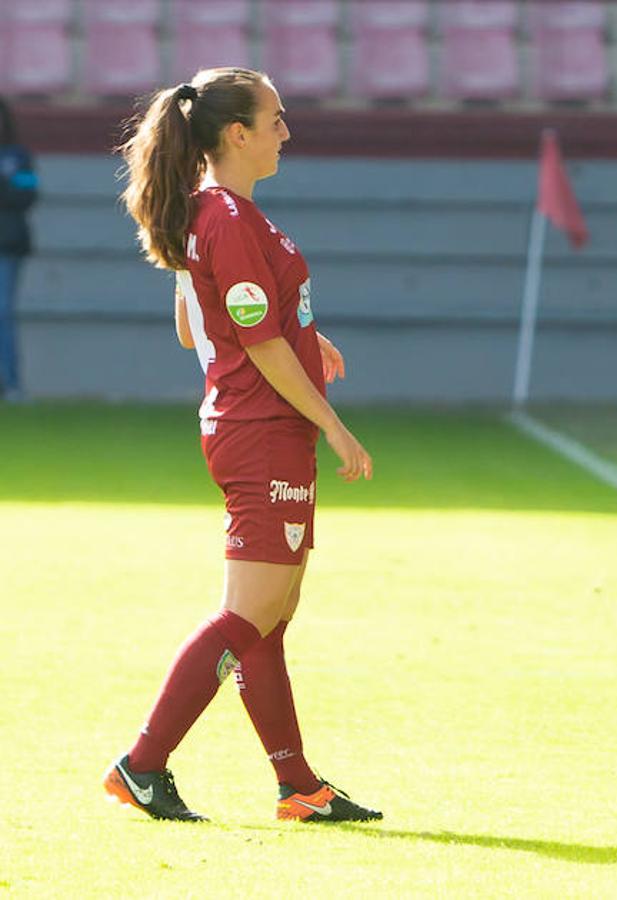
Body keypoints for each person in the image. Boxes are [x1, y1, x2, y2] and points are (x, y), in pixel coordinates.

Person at [103, 67, 381, 823]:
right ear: (237, 134)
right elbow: (251, 343)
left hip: (260, 429)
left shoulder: (223, 216)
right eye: (276, 118)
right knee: (246, 618)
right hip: (262, 434)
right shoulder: (224, 217)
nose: (286, 130)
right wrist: (332, 422)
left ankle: (299, 787)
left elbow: (199, 326)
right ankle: (142, 764)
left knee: (269, 615)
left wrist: (302, 333)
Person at [0, 96, 38, 401]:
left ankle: (11, 383)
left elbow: (27, 193)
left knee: (2, 314)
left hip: (7, 245)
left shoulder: (18, 157)